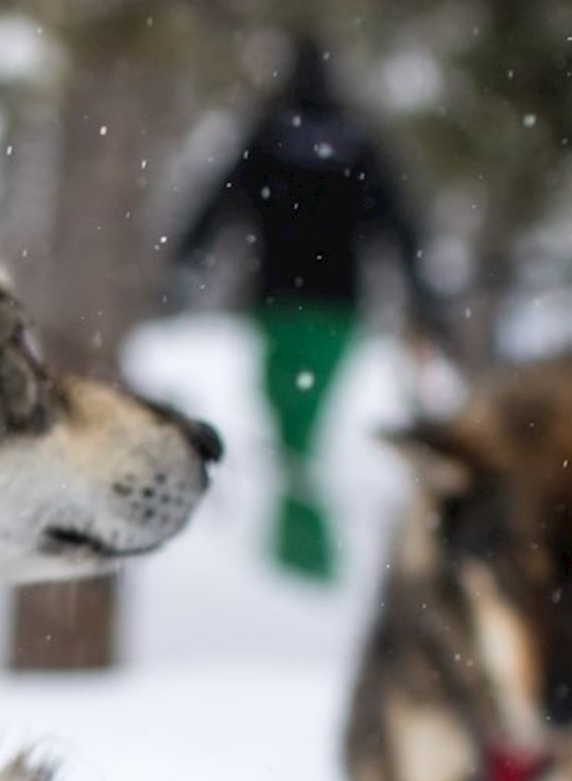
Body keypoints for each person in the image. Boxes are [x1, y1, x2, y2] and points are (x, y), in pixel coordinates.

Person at [166, 38, 445, 581]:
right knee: (305, 418)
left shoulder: (268, 135)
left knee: (286, 416)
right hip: (338, 307)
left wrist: (184, 262)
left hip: (279, 300)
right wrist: (423, 296)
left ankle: (300, 553)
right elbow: (397, 224)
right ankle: (303, 548)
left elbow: (219, 204)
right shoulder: (358, 142)